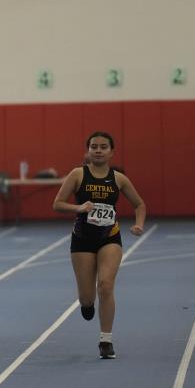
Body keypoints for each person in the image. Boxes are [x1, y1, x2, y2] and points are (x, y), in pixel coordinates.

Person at [53, 131, 146, 359]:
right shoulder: (78, 174)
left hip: (110, 237)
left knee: (105, 285)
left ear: (111, 152)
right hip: (82, 239)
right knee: (87, 298)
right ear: (87, 150)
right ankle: (87, 304)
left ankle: (106, 340)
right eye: (94, 146)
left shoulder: (119, 179)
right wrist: (79, 208)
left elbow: (139, 204)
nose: (98, 150)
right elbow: (58, 203)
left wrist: (139, 224)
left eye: (103, 147)